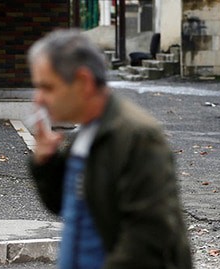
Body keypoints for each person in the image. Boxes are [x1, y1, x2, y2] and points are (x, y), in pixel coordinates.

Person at [27, 29, 192, 269]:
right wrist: (45, 163)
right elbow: (64, 205)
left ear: (83, 81)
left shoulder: (136, 136)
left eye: (47, 87)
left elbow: (148, 238)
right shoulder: (85, 134)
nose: (38, 99)